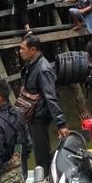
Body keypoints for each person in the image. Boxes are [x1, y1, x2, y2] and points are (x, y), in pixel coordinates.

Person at [19, 34, 70, 169]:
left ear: (33, 50)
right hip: (31, 114)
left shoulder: (43, 69)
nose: (20, 52)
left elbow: (50, 97)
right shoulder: (32, 64)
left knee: (41, 153)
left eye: (22, 49)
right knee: (33, 149)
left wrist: (61, 124)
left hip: (39, 116)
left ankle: (45, 180)